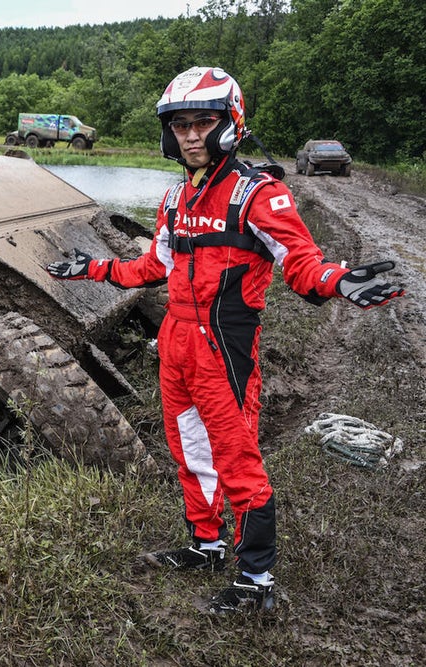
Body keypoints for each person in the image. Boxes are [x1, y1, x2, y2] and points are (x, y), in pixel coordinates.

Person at [46, 66, 405, 614]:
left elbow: (301, 264)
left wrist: (339, 280)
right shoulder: (174, 200)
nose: (190, 135)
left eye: (202, 122)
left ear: (228, 124)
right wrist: (90, 266)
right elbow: (149, 268)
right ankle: (208, 543)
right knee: (189, 450)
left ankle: (256, 579)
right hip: (175, 343)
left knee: (237, 459)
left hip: (224, 347)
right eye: (180, 124)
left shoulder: (259, 195)